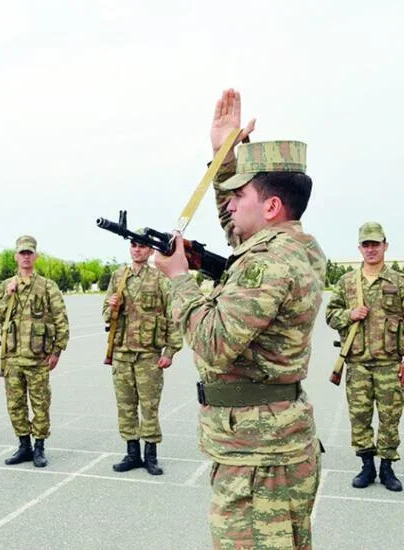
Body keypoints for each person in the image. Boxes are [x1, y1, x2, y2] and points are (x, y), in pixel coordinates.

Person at [155, 89, 326, 549]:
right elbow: (237, 229)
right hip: (265, 446)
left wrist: (178, 279)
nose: (229, 204)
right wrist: (222, 159)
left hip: (259, 457)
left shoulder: (269, 262)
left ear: (271, 207)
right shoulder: (291, 246)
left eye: (240, 194)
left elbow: (212, 341)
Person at [325, 221, 404, 492]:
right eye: (366, 244)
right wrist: (350, 314)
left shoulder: (398, 281)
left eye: (376, 244)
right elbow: (330, 315)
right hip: (357, 362)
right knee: (359, 416)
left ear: (385, 246)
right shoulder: (347, 282)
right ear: (360, 247)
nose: (371, 249)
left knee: (390, 416)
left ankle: (387, 467)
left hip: (389, 362)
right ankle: (366, 466)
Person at [102, 241, 181, 475]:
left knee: (149, 407)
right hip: (122, 354)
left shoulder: (159, 279)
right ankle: (132, 453)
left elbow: (173, 315)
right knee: (126, 406)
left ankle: (151, 456)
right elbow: (106, 314)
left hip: (148, 355)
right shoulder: (118, 277)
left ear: (150, 251)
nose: (137, 250)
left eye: (142, 247)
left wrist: (170, 351)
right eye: (133, 246)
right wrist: (111, 306)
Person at [0, 235, 69, 468]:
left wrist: (57, 351)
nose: (25, 257)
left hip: (37, 358)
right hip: (13, 357)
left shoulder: (47, 286)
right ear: (16, 256)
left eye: (29, 253)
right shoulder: (6, 285)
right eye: (22, 253)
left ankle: (39, 448)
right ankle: (23, 445)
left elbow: (61, 320)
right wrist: (9, 294)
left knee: (40, 403)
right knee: (15, 404)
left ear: (36, 256)